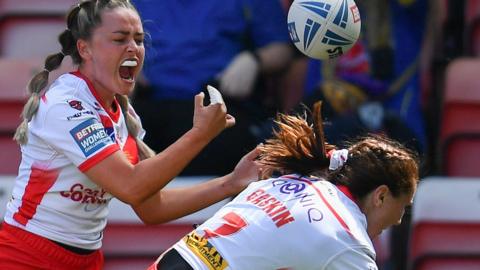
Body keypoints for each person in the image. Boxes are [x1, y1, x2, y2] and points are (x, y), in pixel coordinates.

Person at [0, 1, 261, 269]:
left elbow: (151, 208)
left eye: (139, 39)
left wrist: (231, 182)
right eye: (120, 39)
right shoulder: (67, 104)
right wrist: (200, 135)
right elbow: (130, 187)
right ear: (84, 48)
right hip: (25, 257)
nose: (133, 48)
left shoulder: (124, 113)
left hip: (86, 260)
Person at [148, 101, 420, 270]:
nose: (398, 220)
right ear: (381, 196)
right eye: (403, 207)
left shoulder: (289, 181)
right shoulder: (348, 241)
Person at [131, 0, 294, 176]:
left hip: (220, 106)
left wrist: (254, 60)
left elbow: (282, 48)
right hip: (146, 104)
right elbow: (104, 36)